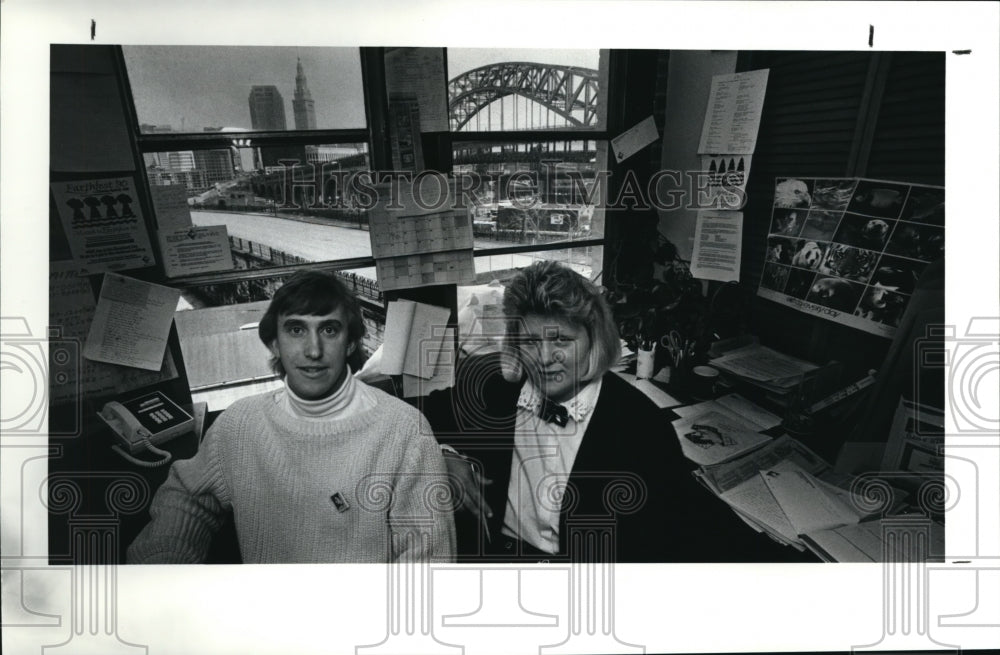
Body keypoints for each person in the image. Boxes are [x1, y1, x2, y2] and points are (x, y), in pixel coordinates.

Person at [127, 270, 455, 564]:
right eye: (296, 329)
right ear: (274, 343)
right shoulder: (240, 425)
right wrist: (164, 565)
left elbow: (428, 566)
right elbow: (186, 496)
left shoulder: (404, 431)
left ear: (352, 341)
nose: (313, 350)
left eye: (329, 329)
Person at [419, 260, 715, 563]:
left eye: (561, 339)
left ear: (593, 340)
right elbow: (418, 417)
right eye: (531, 342)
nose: (545, 359)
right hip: (494, 556)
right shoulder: (497, 387)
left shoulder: (644, 428)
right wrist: (445, 455)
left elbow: (660, 544)